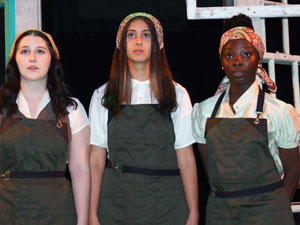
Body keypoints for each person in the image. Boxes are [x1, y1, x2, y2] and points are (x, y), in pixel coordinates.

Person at [89, 12, 198, 225]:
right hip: (116, 204)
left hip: (167, 203)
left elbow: (186, 157)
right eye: (131, 35)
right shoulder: (103, 95)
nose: (138, 41)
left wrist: (193, 212)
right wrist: (92, 213)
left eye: (146, 35)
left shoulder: (177, 94)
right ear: (121, 43)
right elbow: (96, 158)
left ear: (157, 44)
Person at [192, 14, 300, 225]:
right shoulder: (203, 112)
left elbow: (293, 172)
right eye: (229, 55)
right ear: (221, 63)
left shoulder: (280, 112)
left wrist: (275, 209)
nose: (237, 61)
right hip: (221, 213)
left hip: (268, 213)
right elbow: (210, 171)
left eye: (246, 54)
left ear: (258, 60)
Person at [0, 29, 90, 225]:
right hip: (7, 211)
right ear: (14, 60)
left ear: (52, 60)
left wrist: (83, 221)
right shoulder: (1, 107)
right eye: (24, 51)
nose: (32, 57)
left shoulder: (71, 109)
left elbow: (80, 169)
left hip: (58, 211)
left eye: (40, 51)